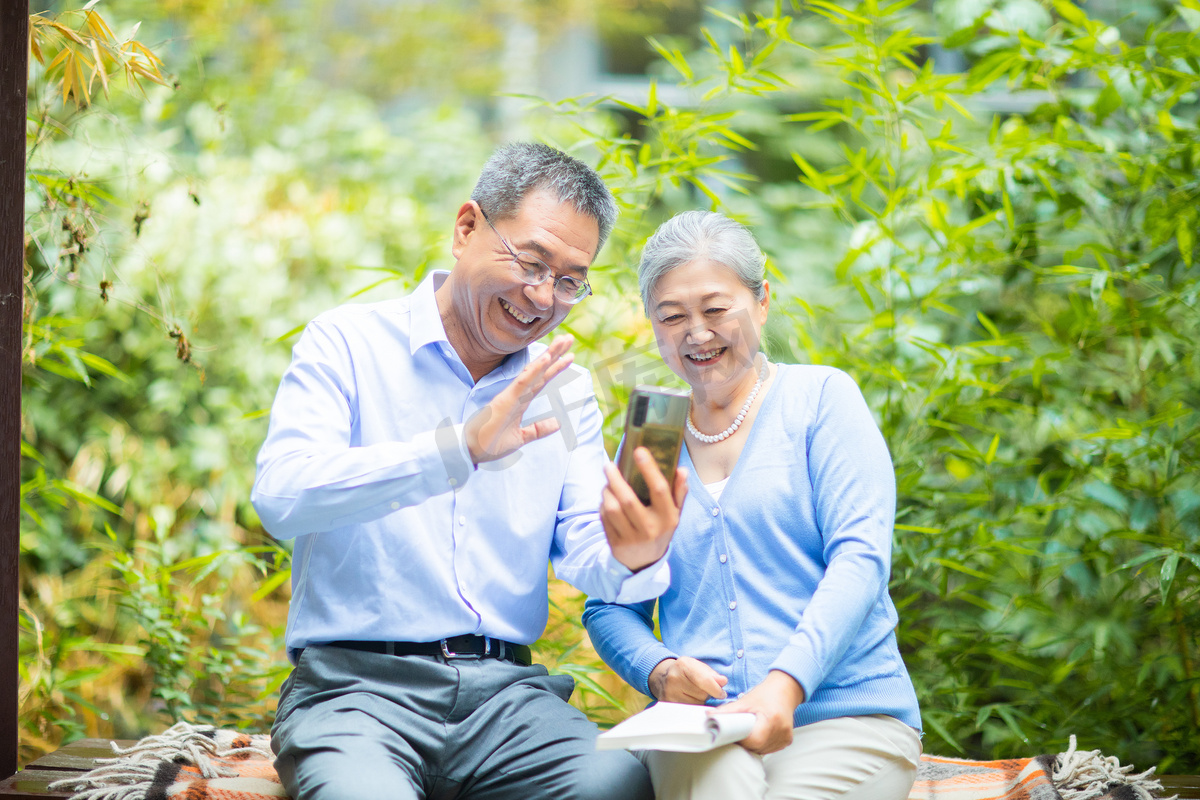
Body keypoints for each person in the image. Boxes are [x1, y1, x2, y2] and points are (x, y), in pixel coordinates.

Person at [251, 142, 689, 800]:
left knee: (615, 784)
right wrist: (458, 449)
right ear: (466, 228)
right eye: (530, 261)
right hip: (356, 693)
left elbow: (585, 547)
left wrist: (634, 552)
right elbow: (283, 496)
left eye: (570, 280)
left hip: (508, 703)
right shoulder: (346, 343)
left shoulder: (565, 391)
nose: (542, 297)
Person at [582, 210, 922, 800]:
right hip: (700, 726)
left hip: (846, 717)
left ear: (761, 301)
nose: (696, 333)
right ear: (653, 327)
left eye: (716, 310)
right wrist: (660, 671)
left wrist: (784, 685)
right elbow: (610, 603)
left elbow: (860, 560)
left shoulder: (820, 399)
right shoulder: (651, 436)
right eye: (672, 317)